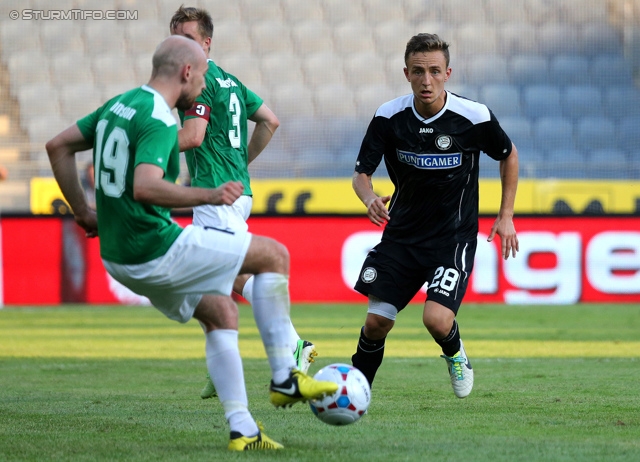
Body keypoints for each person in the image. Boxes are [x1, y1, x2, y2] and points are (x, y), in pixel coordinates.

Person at [45, 35, 337, 451]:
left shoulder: (118, 105)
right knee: (274, 255)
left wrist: (82, 210)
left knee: (220, 310)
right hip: (154, 249)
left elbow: (57, 146)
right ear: (186, 72)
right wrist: (210, 194)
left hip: (118, 255)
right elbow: (147, 187)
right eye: (202, 75)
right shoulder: (161, 119)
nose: (206, 84)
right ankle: (285, 378)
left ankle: (244, 431)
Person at [350, 33, 520, 399]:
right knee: (376, 323)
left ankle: (455, 353)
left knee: (437, 319)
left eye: (434, 72)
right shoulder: (388, 116)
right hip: (402, 237)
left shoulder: (473, 117)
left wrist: (506, 215)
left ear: (447, 74)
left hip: (452, 238)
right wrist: (368, 199)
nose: (426, 80)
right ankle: (355, 394)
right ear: (406, 74)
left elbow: (508, 154)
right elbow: (361, 174)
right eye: (418, 72)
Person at [169, 5, 317, 400]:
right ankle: (220, 368)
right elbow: (270, 120)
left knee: (219, 274)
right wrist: (242, 162)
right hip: (235, 192)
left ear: (205, 43)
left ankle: (295, 345)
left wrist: (144, 143)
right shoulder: (230, 80)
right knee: (219, 278)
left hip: (216, 195)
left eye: (188, 38)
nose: (180, 45)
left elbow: (193, 136)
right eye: (175, 38)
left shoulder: (197, 83)